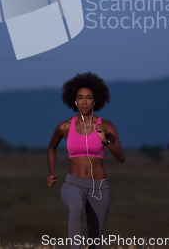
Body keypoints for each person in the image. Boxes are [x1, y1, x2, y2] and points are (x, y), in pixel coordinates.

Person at [46, 72, 125, 249]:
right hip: (73, 184)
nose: (84, 102)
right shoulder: (64, 127)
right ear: (74, 100)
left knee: (95, 242)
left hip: (100, 187)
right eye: (80, 98)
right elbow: (51, 147)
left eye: (88, 98)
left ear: (95, 100)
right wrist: (52, 172)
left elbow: (121, 157)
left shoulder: (107, 126)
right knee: (75, 206)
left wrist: (106, 141)